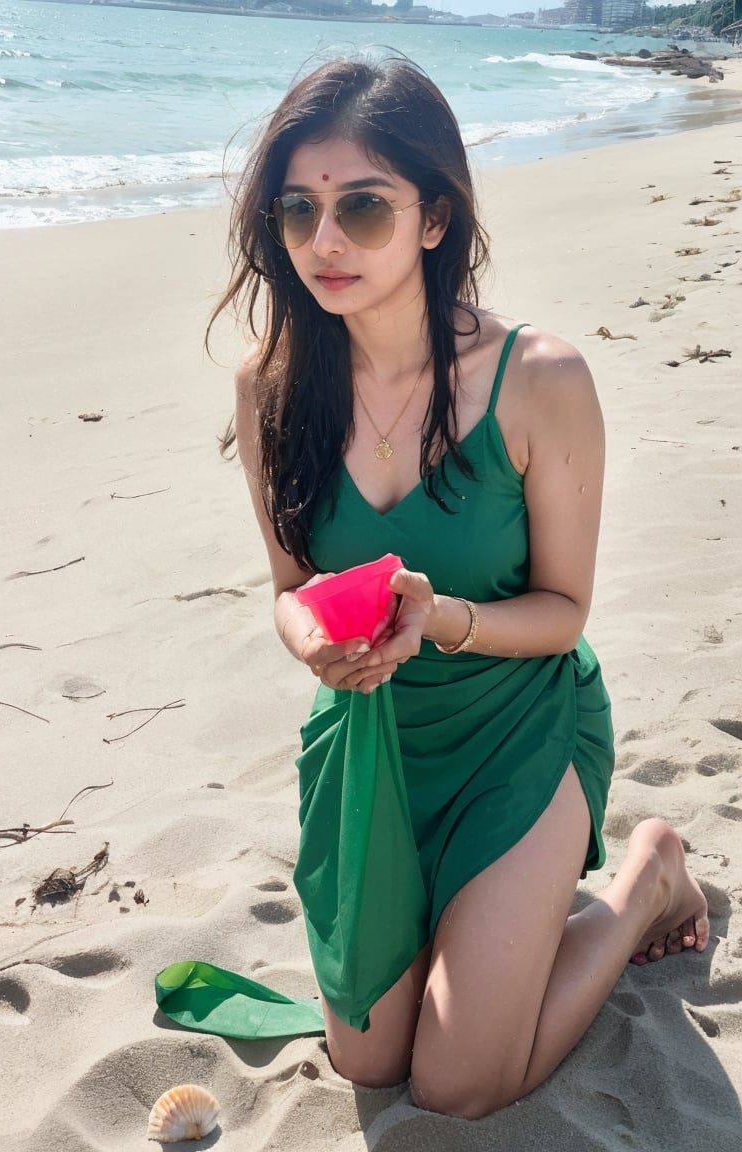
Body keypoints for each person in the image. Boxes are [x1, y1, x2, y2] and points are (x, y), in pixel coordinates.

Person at [210, 55, 710, 1119]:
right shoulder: (272, 387)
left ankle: (643, 882)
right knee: (369, 1064)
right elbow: (290, 585)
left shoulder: (542, 381)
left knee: (459, 1079)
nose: (324, 242)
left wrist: (444, 620)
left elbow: (565, 611)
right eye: (298, 210)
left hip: (519, 725)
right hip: (369, 742)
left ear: (435, 219)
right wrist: (309, 640)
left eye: (363, 208)